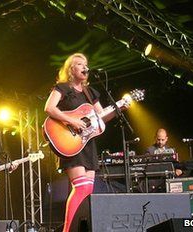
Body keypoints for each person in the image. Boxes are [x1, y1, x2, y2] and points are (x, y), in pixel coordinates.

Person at [44, 53, 123, 232]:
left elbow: (102, 117)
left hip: (87, 143)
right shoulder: (62, 87)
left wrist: (120, 107)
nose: (84, 67)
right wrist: (72, 121)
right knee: (80, 188)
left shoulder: (90, 92)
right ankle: (67, 230)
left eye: (86, 64)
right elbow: (49, 108)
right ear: (71, 69)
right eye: (80, 64)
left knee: (88, 190)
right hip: (70, 141)